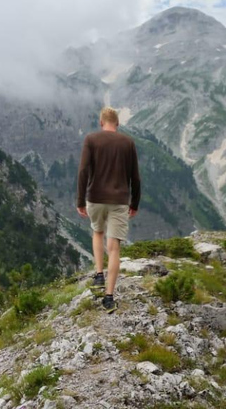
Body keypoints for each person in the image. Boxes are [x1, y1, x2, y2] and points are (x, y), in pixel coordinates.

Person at [76, 106, 141, 313]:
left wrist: (80, 200)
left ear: (101, 122)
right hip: (120, 200)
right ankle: (109, 297)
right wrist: (135, 203)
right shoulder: (128, 143)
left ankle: (98, 274)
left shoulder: (91, 139)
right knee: (114, 248)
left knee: (97, 232)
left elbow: (84, 170)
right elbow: (135, 177)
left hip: (95, 197)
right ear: (118, 123)